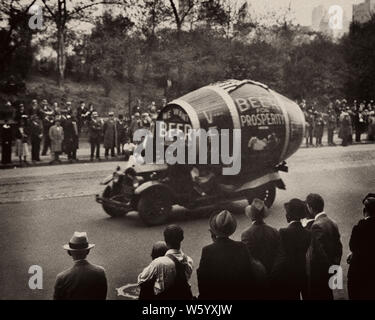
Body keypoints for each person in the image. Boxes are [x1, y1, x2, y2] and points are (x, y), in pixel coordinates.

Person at [197, 210, 266, 300]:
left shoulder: (207, 250)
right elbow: (249, 275)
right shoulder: (241, 247)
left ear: (215, 230)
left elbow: (203, 280)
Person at [137, 225, 193, 300]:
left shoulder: (159, 263)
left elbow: (142, 280)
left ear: (165, 240)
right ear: (182, 238)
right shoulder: (189, 260)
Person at [305, 193, 343, 300]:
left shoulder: (316, 226)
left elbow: (317, 253)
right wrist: (334, 266)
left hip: (319, 274)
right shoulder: (333, 222)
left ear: (311, 208)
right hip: (330, 270)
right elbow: (338, 248)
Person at [272, 199, 311, 300]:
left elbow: (281, 257)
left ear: (289, 215)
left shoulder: (283, 232)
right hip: (303, 275)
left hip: (289, 277)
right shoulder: (308, 233)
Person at [54, 232, 107, 300]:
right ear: (88, 251)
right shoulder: (100, 272)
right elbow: (102, 296)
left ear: (69, 253)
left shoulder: (62, 277)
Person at [241, 199, 280, 276]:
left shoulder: (246, 234)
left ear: (251, 216)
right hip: (273, 271)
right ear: (263, 215)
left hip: (256, 274)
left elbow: (248, 257)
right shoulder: (273, 231)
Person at [347, 193, 375, 300]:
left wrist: (354, 253)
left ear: (365, 211)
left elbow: (352, 246)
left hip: (358, 274)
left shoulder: (359, 227)